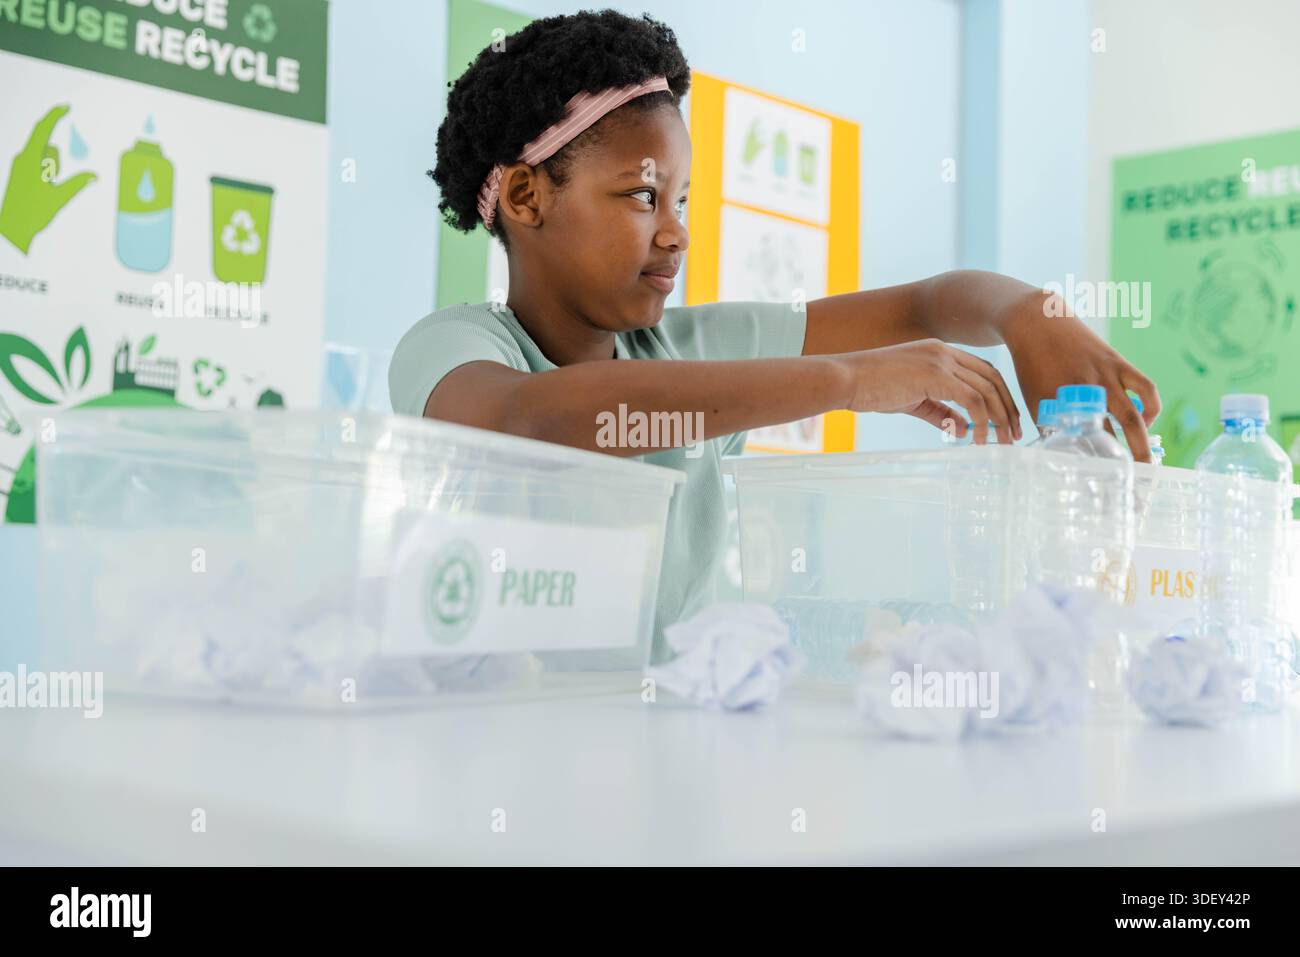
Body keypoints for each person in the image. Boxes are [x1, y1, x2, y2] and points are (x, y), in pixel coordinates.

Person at [390, 9, 1160, 650]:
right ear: (527, 196)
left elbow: (928, 303)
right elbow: (538, 419)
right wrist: (850, 380)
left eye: (681, 201)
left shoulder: (692, 354)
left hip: (663, 749)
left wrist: (1029, 313)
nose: (675, 233)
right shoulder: (454, 348)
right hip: (496, 753)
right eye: (640, 196)